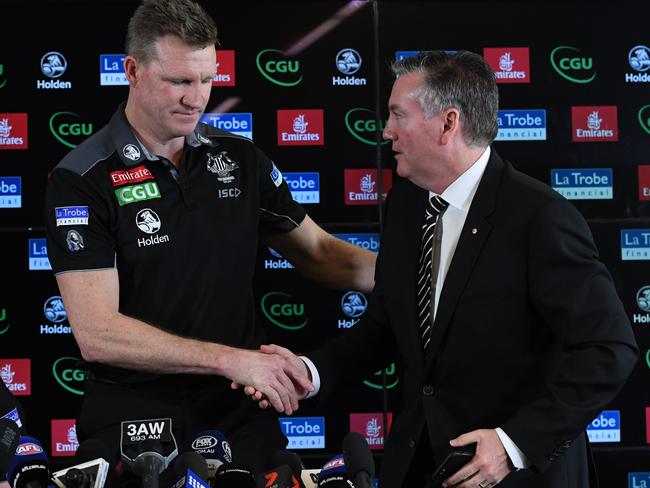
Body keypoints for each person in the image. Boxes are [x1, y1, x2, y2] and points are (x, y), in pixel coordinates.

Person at [254, 51, 639, 488]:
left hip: (513, 476)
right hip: (421, 467)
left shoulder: (539, 218)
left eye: (398, 115)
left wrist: (514, 444)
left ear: (447, 123)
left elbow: (609, 348)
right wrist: (312, 371)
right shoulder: (406, 203)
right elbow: (386, 326)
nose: (386, 131)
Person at [43, 0, 376, 475]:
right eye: (179, 81)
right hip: (135, 418)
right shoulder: (82, 177)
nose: (195, 98)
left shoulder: (239, 159)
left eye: (206, 79)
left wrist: (421, 278)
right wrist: (232, 361)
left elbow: (321, 252)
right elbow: (98, 334)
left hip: (239, 415)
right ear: (132, 71)